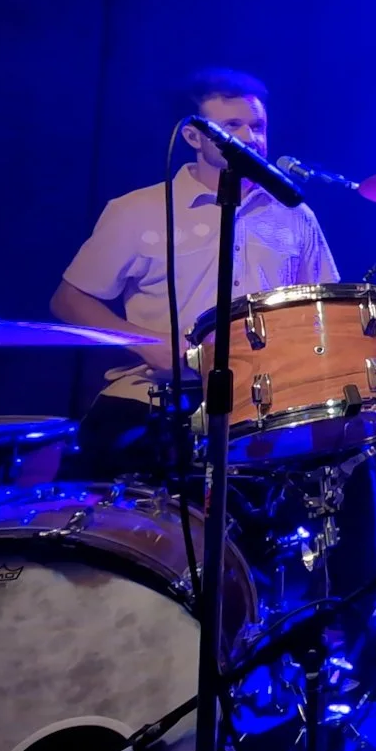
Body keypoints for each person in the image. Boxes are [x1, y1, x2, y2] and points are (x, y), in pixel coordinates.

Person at [53, 68, 341, 480]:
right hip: (156, 396)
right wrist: (148, 344)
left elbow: (323, 307)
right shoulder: (137, 210)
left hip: (267, 402)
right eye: (231, 126)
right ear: (193, 137)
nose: (250, 138)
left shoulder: (293, 214)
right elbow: (68, 300)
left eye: (257, 126)